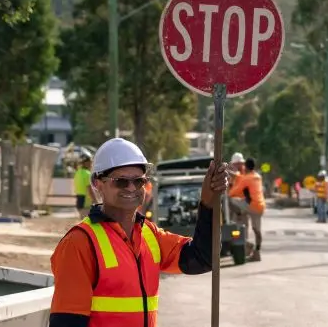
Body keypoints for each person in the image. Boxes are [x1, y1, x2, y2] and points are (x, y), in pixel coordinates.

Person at [49, 138, 230, 327]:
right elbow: (66, 322)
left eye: (139, 181)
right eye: (120, 182)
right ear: (97, 183)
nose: (131, 188)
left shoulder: (149, 234)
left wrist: (208, 203)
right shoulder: (79, 243)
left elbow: (202, 258)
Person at [229, 157, 265, 261]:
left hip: (250, 206)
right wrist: (229, 172)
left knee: (230, 200)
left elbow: (232, 193)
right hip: (260, 207)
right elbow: (239, 176)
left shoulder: (245, 179)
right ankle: (257, 252)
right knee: (257, 231)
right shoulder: (257, 176)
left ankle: (239, 213)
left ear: (245, 167)